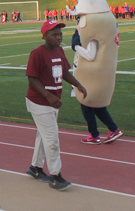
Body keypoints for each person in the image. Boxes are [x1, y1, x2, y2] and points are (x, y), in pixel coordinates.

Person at [25, 20, 87, 191]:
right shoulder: (37, 53)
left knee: (42, 135)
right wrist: (48, 96)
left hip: (53, 101)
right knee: (52, 139)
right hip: (39, 101)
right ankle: (55, 176)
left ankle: (35, 168)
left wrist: (77, 84)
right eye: (54, 35)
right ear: (44, 36)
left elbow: (65, 71)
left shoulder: (59, 51)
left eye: (60, 34)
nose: (58, 37)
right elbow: (31, 77)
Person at [71, 22, 123, 144]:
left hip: (89, 77)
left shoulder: (92, 38)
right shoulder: (89, 36)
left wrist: (76, 46)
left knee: (88, 105)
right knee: (92, 106)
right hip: (87, 75)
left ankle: (97, 134)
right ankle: (109, 130)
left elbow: (90, 56)